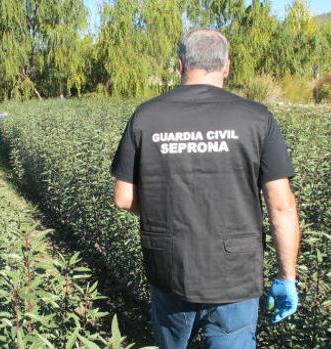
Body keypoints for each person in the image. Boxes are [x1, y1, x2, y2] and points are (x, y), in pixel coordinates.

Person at [110, 28, 301, 349]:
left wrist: (162, 210)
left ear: (180, 64)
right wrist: (287, 277)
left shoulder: (147, 117)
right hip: (234, 273)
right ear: (227, 66)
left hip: (170, 267)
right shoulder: (256, 118)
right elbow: (282, 208)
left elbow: (123, 198)